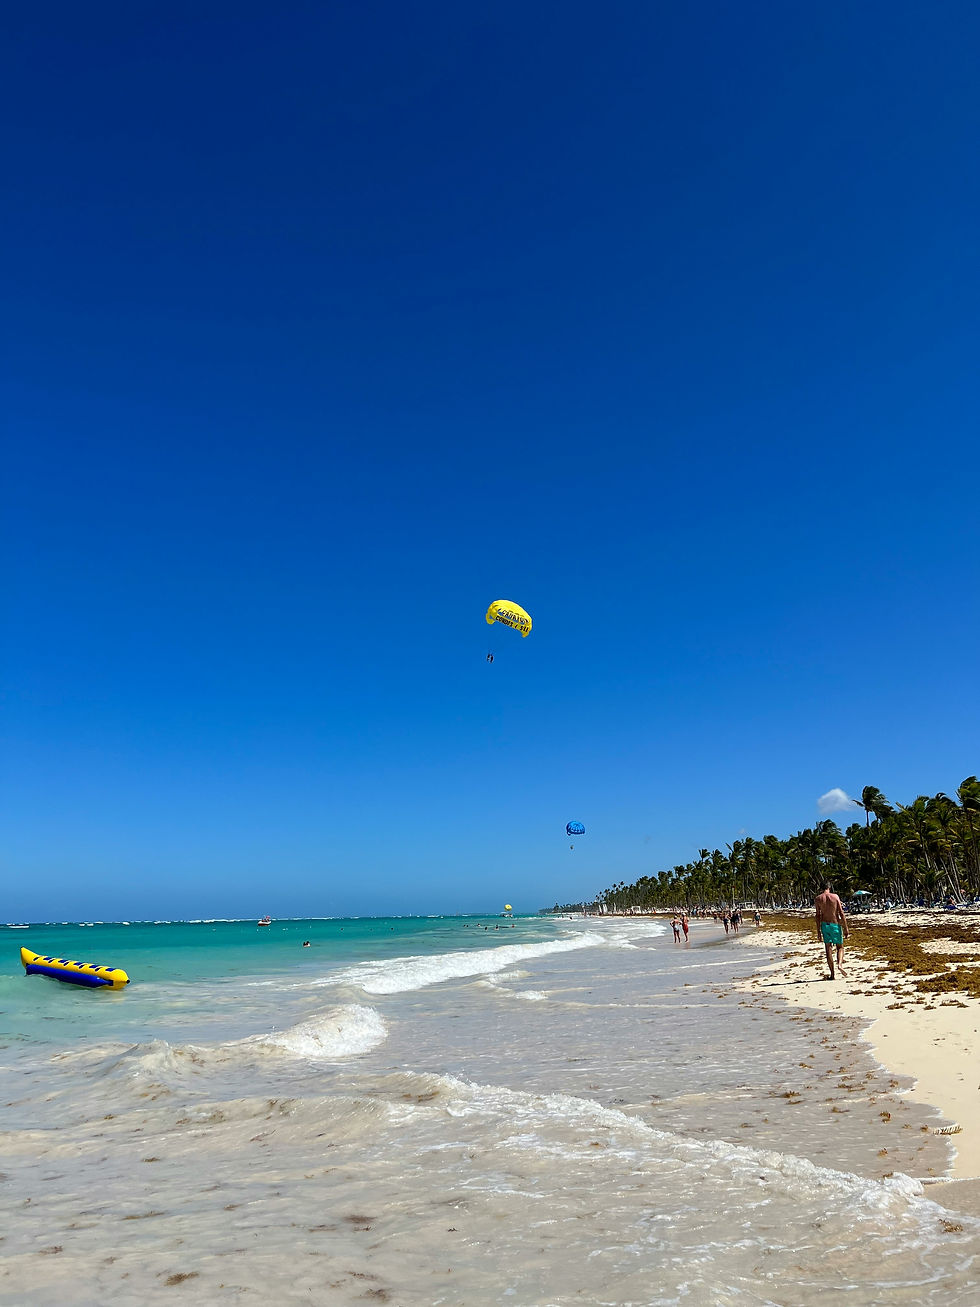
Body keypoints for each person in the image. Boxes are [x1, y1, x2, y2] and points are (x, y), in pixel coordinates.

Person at [814, 881, 849, 979]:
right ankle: (840, 965)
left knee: (828, 949)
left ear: (821, 888)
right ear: (829, 887)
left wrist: (818, 931)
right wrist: (846, 928)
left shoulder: (818, 899)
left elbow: (818, 916)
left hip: (825, 925)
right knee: (840, 947)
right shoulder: (835, 897)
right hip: (835, 924)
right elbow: (841, 913)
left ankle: (832, 974)